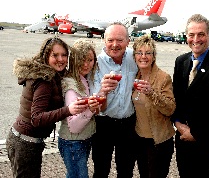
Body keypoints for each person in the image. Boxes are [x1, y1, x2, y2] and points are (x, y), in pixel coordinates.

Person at [6, 37, 87, 178]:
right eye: (55, 55)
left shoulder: (52, 74)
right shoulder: (44, 81)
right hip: (25, 143)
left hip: (26, 140)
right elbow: (36, 118)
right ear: (46, 56)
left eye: (64, 55)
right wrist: (68, 110)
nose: (60, 59)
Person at [171, 14, 209, 178]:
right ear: (186, 36)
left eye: (201, 34)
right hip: (182, 138)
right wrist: (178, 123)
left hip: (205, 142)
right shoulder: (180, 62)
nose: (195, 39)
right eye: (191, 35)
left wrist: (196, 133)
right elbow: (176, 98)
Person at [89, 22, 138, 178]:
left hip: (129, 124)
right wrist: (103, 90)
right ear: (104, 40)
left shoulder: (135, 57)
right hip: (104, 124)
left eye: (120, 40)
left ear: (128, 41)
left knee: (126, 169)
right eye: (110, 40)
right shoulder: (95, 63)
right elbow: (94, 104)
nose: (115, 45)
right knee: (101, 170)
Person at [58, 38, 107, 178]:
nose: (86, 65)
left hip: (82, 139)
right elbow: (73, 126)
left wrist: (103, 92)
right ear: (73, 60)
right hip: (73, 142)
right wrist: (91, 109)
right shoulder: (71, 85)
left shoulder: (83, 79)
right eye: (82, 60)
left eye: (90, 60)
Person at [132, 35, 176, 178]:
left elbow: (170, 109)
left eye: (148, 53)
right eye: (139, 53)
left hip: (159, 141)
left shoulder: (163, 78)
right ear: (134, 56)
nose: (143, 57)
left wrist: (152, 93)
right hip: (140, 139)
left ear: (154, 56)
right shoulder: (135, 75)